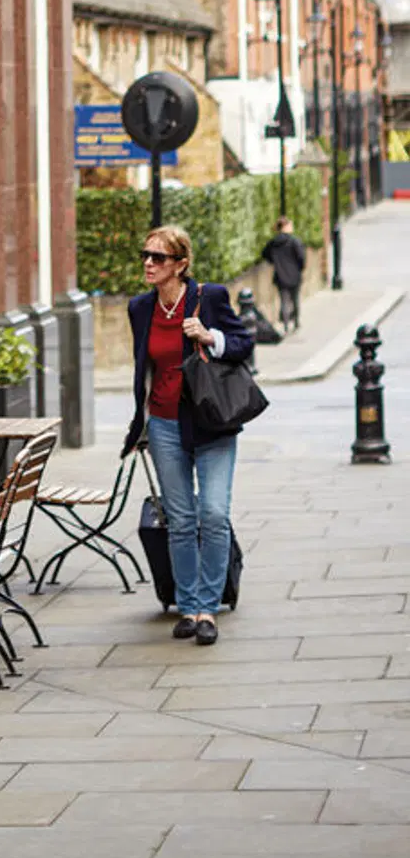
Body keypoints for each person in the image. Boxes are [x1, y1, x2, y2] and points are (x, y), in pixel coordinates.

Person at [122, 224, 255, 646]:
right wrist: (141, 424)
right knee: (180, 520)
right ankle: (189, 603)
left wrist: (209, 336)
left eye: (158, 258)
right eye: (145, 255)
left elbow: (243, 343)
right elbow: (145, 368)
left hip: (211, 422)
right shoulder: (139, 308)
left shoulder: (209, 298)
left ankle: (209, 610)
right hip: (162, 424)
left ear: (181, 264)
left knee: (213, 513)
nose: (148, 263)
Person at [261, 215, 306, 334]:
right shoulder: (294, 241)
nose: (292, 227)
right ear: (285, 226)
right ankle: (296, 322)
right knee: (295, 299)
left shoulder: (273, 242)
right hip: (294, 274)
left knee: (284, 301)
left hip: (280, 275)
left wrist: (274, 262)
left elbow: (265, 254)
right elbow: (301, 257)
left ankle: (286, 325)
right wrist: (300, 268)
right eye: (290, 225)